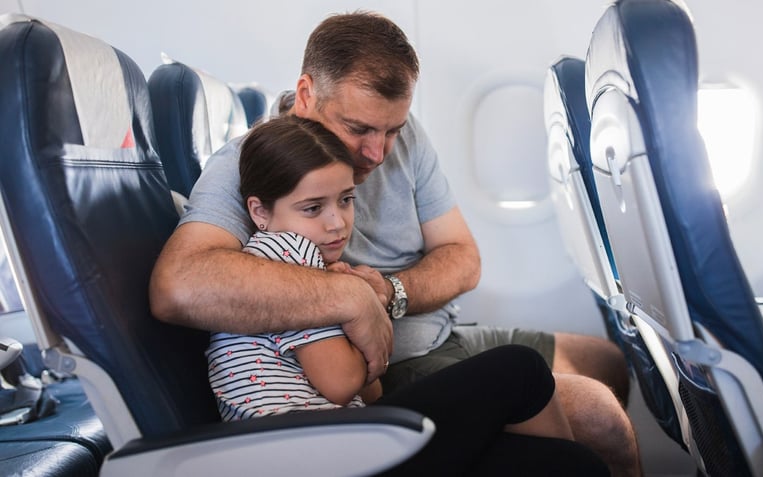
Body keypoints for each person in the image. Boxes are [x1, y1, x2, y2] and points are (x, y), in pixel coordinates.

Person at [150, 10, 640, 476]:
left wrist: (386, 293)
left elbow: (463, 259)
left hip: (435, 333)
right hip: (395, 365)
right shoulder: (252, 166)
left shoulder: (398, 137)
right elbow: (179, 286)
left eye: (392, 130)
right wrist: (349, 297)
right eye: (358, 128)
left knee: (609, 362)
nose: (377, 152)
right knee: (597, 418)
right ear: (305, 93)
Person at [208, 113, 607, 475]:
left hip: (335, 442)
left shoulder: (310, 257)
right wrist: (359, 310)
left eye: (346, 200)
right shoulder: (285, 254)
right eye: (313, 208)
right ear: (260, 213)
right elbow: (342, 382)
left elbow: (371, 388)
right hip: (308, 455)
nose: (337, 224)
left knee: (575, 464)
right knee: (522, 370)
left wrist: (357, 317)